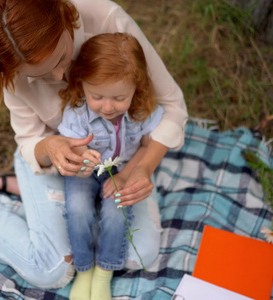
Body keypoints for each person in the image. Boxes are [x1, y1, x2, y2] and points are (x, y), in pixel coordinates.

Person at [0, 0, 188, 292]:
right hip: (53, 165)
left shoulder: (107, 19)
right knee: (51, 271)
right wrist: (50, 146)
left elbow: (172, 105)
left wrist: (141, 168)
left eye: (62, 57)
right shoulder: (11, 63)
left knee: (138, 254)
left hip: (122, 160)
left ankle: (23, 192)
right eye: (38, 75)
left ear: (66, 18)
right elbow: (29, 140)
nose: (58, 77)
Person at [58, 33, 164, 300]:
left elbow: (146, 146)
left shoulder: (140, 111)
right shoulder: (77, 111)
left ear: (135, 88)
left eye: (119, 97)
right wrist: (83, 154)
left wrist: (125, 176)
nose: (107, 106)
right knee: (78, 208)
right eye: (97, 96)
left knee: (117, 210)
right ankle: (84, 269)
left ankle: (105, 272)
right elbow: (71, 144)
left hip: (124, 167)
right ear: (81, 84)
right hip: (85, 170)